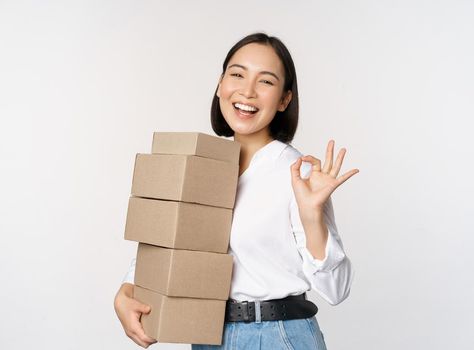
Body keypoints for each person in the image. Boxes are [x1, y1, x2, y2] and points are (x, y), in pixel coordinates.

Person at [113, 33, 358, 349]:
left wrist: (313, 217)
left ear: (284, 99)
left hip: (276, 336)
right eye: (237, 74)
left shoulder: (298, 174)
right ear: (220, 84)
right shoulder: (203, 164)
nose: (247, 91)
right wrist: (128, 289)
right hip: (207, 333)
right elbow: (174, 242)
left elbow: (337, 290)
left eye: (266, 82)